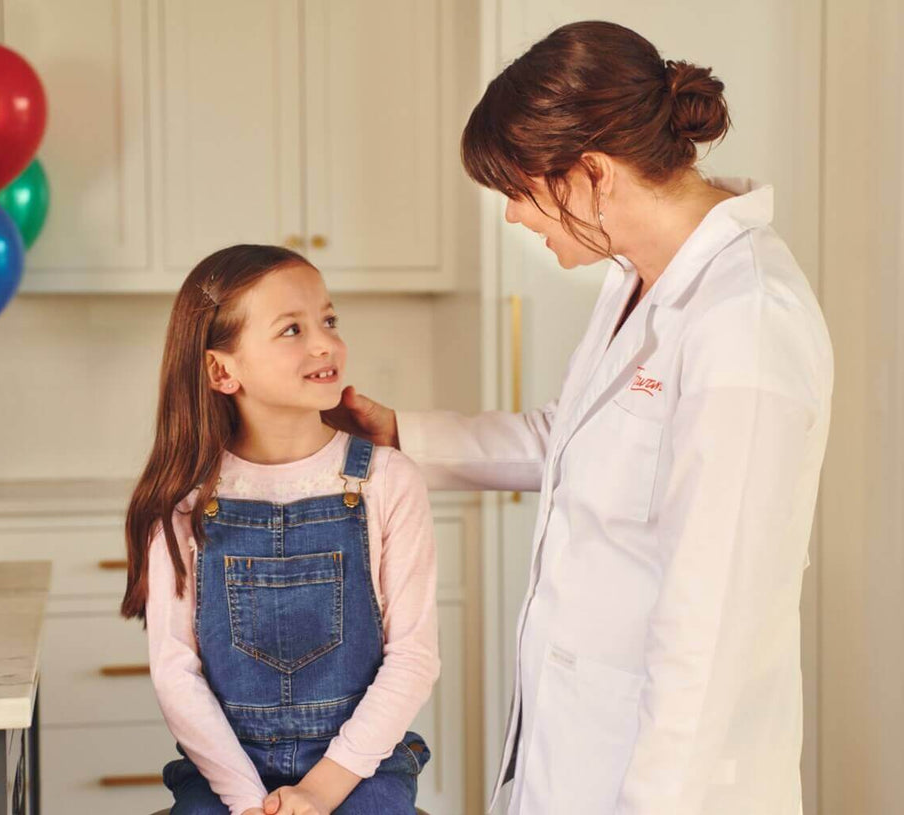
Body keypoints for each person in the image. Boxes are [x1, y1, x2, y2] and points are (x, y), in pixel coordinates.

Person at [324, 20, 833, 815]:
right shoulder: (638, 280)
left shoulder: (745, 324)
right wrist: (399, 434)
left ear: (591, 172)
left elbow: (707, 636)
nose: (514, 218)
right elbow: (564, 441)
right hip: (573, 757)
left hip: (665, 784)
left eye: (519, 192)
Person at [121, 244, 439, 815]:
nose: (325, 343)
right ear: (223, 370)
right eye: (292, 329)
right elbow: (176, 674)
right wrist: (247, 802)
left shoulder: (388, 481)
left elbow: (414, 659)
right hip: (226, 771)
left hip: (358, 765)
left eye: (329, 320)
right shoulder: (185, 500)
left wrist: (321, 789)